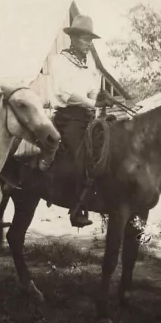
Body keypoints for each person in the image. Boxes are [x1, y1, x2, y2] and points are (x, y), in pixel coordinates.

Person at [47, 15, 114, 228]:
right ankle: (76, 210)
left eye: (90, 40)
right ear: (73, 39)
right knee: (79, 158)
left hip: (88, 118)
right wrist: (92, 103)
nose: (88, 44)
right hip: (69, 118)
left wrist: (101, 98)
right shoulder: (59, 61)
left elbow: (93, 89)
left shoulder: (90, 63)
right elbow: (65, 94)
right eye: (85, 39)